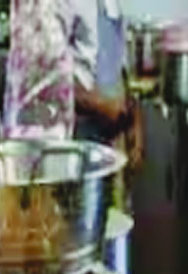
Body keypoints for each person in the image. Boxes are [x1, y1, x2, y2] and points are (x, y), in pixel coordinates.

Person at [70, 0, 143, 170]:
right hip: (76, 136)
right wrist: (101, 104)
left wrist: (136, 123)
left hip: (113, 134)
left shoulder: (112, 5)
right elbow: (50, 83)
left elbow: (120, 67)